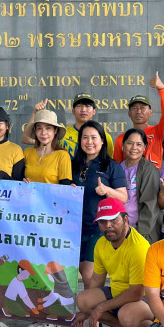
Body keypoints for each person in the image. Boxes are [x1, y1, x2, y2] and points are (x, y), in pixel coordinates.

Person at [72, 198, 153, 327]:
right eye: (103, 221)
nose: (108, 225)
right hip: (118, 293)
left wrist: (100, 308)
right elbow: (97, 279)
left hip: (145, 300)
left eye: (113, 220)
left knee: (127, 315)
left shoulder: (138, 247)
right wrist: (86, 311)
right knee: (83, 300)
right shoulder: (101, 243)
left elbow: (136, 293)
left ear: (126, 219)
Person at [72, 120, 127, 287]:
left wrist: (106, 190)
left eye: (94, 137)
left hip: (98, 228)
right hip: (74, 228)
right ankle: (92, 302)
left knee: (90, 275)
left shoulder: (111, 166)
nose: (89, 142)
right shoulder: (73, 164)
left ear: (102, 140)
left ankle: (96, 302)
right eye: (85, 137)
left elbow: (123, 197)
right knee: (81, 271)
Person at [114, 72, 164, 167]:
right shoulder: (121, 139)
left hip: (154, 176)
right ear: (129, 113)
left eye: (142, 108)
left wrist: (162, 89)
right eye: (134, 108)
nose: (138, 111)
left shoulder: (158, 132)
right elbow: (117, 167)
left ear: (150, 112)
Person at [120, 128, 161, 242]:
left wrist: (141, 235)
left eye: (139, 144)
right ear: (123, 145)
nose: (134, 148)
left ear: (145, 147)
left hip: (140, 232)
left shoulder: (149, 170)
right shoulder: (118, 167)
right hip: (120, 231)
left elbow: (150, 206)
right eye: (130, 143)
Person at [21, 108, 72, 184]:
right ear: (35, 131)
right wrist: (22, 181)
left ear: (55, 130)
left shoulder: (62, 156)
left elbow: (65, 187)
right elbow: (17, 182)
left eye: (48, 128)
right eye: (39, 128)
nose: (43, 133)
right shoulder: (27, 152)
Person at [57, 93, 115, 158]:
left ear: (94, 111)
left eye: (88, 106)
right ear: (73, 111)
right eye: (79, 106)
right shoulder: (62, 134)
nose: (83, 110)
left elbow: (109, 160)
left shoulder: (105, 137)